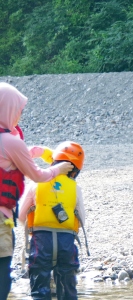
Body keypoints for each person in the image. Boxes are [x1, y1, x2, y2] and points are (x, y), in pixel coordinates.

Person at [0, 82, 73, 300]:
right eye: (18, 111)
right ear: (7, 108)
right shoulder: (11, 142)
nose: (19, 117)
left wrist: (33, 151)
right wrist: (58, 168)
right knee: (2, 277)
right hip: (1, 220)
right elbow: (37, 176)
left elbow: (9, 160)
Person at [19, 141, 86, 300]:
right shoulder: (75, 188)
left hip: (41, 241)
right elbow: (82, 220)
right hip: (66, 242)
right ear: (76, 170)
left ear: (53, 161)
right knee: (67, 289)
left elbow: (21, 215)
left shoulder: (36, 183)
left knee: (39, 288)